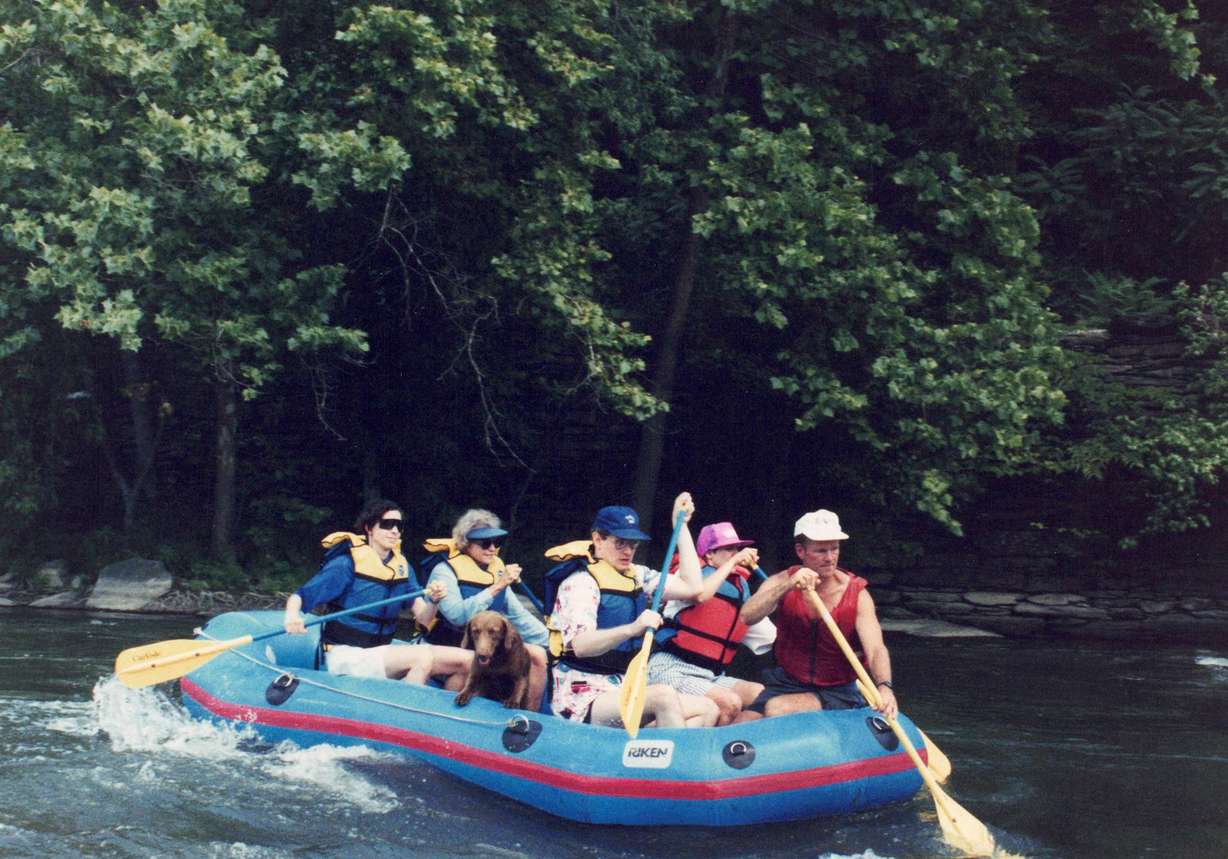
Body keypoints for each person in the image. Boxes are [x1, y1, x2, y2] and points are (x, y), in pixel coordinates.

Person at [543, 492, 719, 728]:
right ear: (598, 539)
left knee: (708, 708)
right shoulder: (580, 582)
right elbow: (581, 646)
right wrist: (632, 629)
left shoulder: (637, 575)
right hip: (581, 694)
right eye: (620, 543)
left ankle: (651, 751)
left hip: (624, 686)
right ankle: (670, 759)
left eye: (632, 544)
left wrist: (682, 526)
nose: (628, 551)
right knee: (662, 696)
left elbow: (693, 587)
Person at [283, 499, 473, 687]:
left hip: (380, 652)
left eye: (399, 526)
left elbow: (424, 620)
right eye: (387, 524)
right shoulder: (346, 564)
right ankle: (405, 714)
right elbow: (299, 596)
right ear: (369, 528)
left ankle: (449, 713)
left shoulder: (403, 568)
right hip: (344, 655)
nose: (395, 531)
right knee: (422, 657)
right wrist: (292, 616)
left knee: (468, 660)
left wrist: (434, 601)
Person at [741, 509, 898, 720]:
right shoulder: (783, 580)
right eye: (821, 551)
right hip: (787, 683)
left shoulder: (857, 594)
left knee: (778, 709)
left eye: (834, 549)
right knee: (742, 721)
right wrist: (788, 586)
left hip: (838, 691)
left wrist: (885, 687)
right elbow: (747, 616)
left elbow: (876, 648)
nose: (830, 558)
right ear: (800, 551)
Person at [422, 509, 550, 709]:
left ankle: (529, 718)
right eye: (485, 543)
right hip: (448, 645)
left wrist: (553, 642)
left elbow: (519, 618)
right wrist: (498, 586)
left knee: (537, 656)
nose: (492, 549)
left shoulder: (495, 572)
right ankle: (445, 715)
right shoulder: (444, 571)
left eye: (496, 543)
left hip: (483, 651)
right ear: (466, 543)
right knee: (468, 664)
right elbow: (458, 616)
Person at [647, 521, 771, 725]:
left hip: (710, 675)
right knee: (729, 703)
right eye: (728, 549)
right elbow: (701, 594)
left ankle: (734, 751)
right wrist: (733, 563)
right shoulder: (689, 576)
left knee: (763, 697)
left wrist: (782, 588)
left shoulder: (739, 590)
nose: (736, 553)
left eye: (737, 549)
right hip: (671, 669)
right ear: (709, 554)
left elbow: (768, 635)